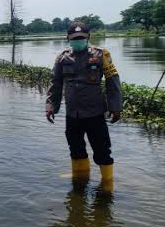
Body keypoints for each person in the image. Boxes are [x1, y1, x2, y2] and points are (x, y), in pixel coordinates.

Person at [45, 21, 122, 191]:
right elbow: (55, 83)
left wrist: (115, 107)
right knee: (76, 149)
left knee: (102, 151)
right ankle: (80, 178)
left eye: (81, 38)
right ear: (68, 39)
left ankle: (107, 184)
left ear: (88, 37)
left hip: (95, 113)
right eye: (74, 38)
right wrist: (51, 106)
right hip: (73, 114)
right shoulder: (62, 58)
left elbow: (113, 81)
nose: (78, 40)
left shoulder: (102, 55)